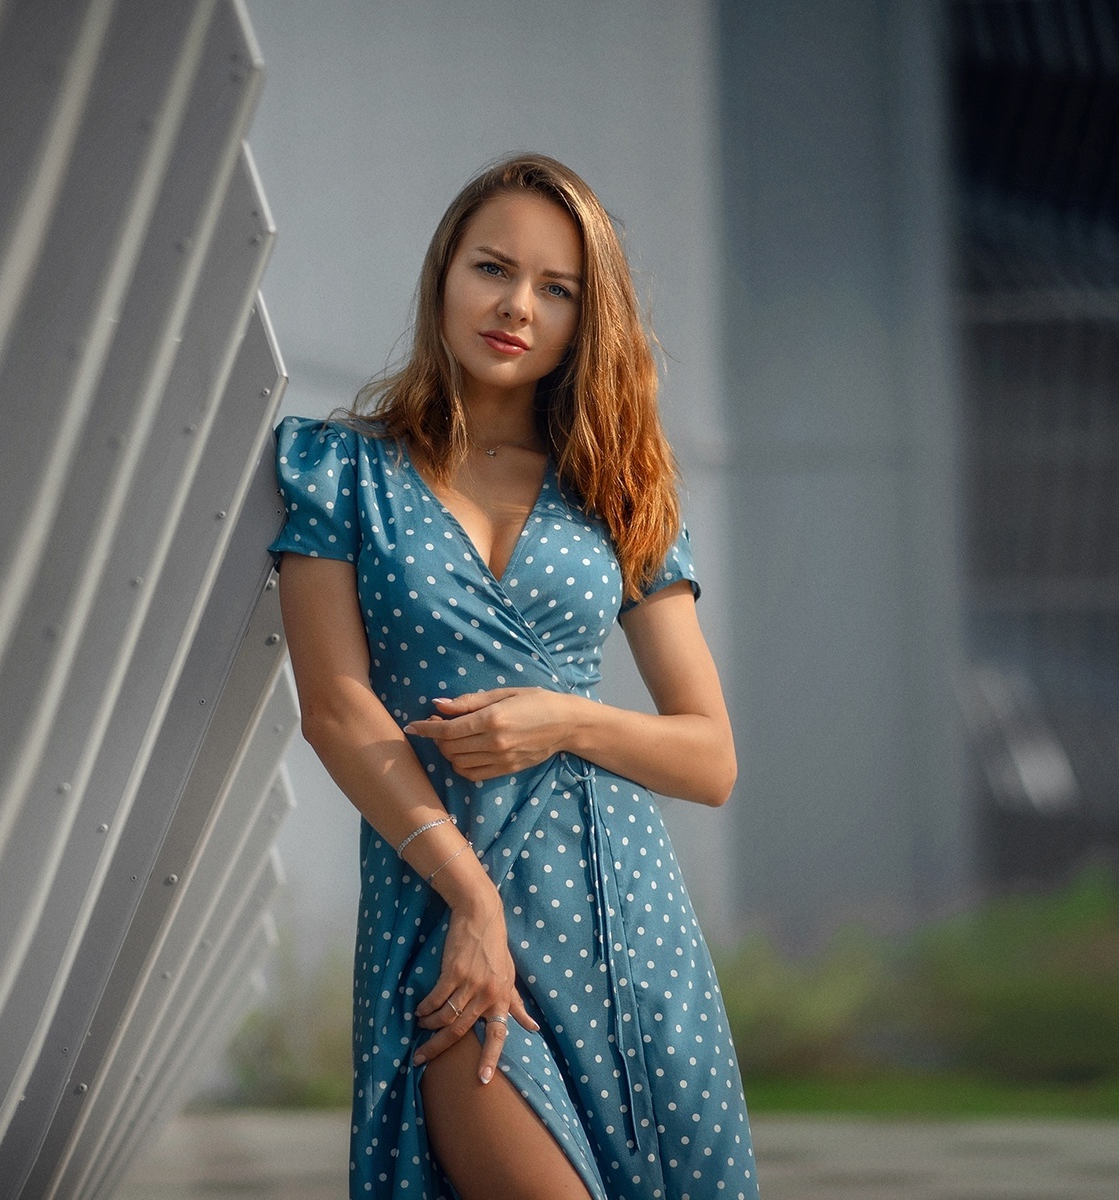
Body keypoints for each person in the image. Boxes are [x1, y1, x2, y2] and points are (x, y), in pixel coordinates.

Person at [269, 153, 756, 1200]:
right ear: (445, 272)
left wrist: (566, 721)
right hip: (447, 909)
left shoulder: (622, 493)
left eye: (557, 288)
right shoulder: (337, 469)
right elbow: (338, 710)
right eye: (493, 268)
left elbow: (709, 758)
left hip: (627, 929)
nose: (517, 306)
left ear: (587, 318)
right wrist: (473, 902)